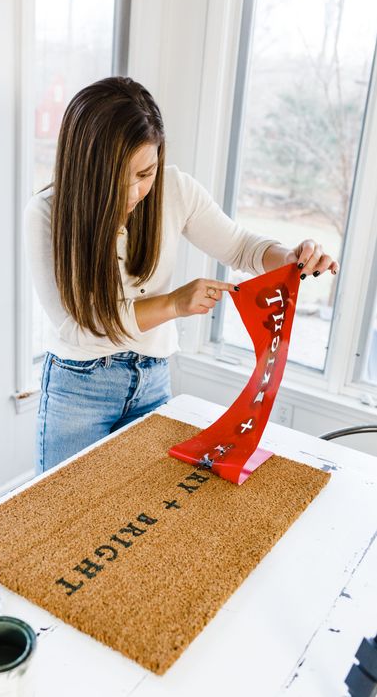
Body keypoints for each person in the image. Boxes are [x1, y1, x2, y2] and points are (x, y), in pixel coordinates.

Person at [24, 76, 339, 475]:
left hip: (152, 380)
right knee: (62, 517)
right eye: (117, 178)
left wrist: (292, 258)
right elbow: (78, 327)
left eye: (145, 173)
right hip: (78, 389)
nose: (134, 192)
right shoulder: (46, 214)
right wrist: (173, 304)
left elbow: (242, 247)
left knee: (144, 509)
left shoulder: (175, 189)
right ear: (85, 168)